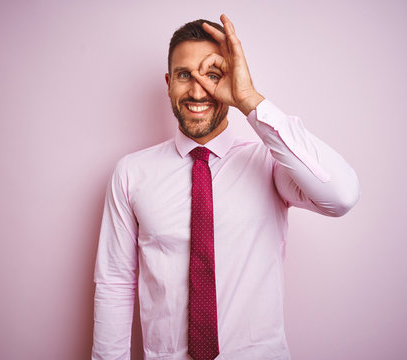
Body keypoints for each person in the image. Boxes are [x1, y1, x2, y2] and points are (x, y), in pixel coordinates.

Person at [92, 14, 359, 360]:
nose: (197, 89)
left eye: (212, 75)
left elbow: (341, 195)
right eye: (184, 75)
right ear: (168, 82)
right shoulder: (131, 173)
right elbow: (114, 285)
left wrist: (250, 100)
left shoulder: (270, 163)